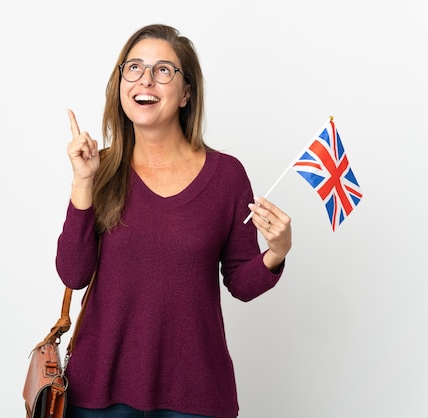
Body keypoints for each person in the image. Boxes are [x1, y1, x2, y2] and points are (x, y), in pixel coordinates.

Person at [55, 23, 292, 418]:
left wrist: (277, 252)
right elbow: (73, 273)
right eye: (133, 68)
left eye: (163, 70)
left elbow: (241, 283)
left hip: (195, 395)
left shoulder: (227, 176)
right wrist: (83, 183)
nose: (145, 79)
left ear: (186, 94)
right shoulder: (100, 168)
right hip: (99, 394)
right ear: (120, 84)